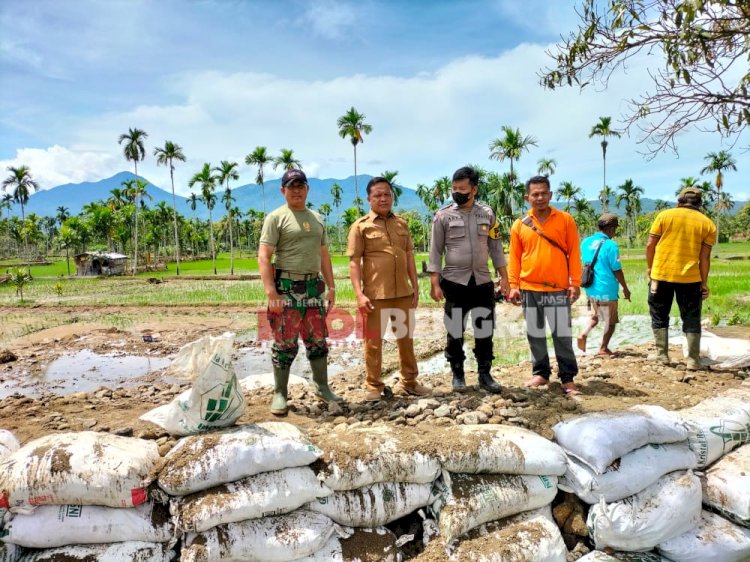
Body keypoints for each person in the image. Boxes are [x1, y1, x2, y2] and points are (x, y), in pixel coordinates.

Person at [258, 169, 342, 415]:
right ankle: (280, 393)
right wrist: (270, 292)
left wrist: (332, 286)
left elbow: (324, 254)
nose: (296, 190)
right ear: (283, 190)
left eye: (300, 185)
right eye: (291, 186)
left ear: (307, 189)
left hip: (314, 288)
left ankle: (322, 387)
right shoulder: (276, 218)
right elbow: (264, 256)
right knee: (285, 342)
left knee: (317, 340)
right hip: (286, 289)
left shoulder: (317, 218)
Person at [348, 177, 431, 401]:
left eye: (387, 194)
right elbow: (354, 262)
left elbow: (409, 256)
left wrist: (415, 286)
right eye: (378, 195)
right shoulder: (360, 226)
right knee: (373, 342)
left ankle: (410, 382)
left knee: (406, 339)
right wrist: (359, 294)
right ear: (369, 199)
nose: (383, 198)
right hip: (375, 294)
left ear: (392, 196)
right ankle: (373, 385)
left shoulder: (401, 223)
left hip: (403, 293)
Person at [428, 166, 508, 393]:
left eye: (462, 189)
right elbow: (435, 252)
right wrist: (434, 283)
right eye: (454, 188)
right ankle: (458, 374)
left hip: (482, 281)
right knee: (455, 330)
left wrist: (504, 278)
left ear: (474, 189)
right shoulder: (443, 215)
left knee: (484, 330)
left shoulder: (488, 214)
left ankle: (485, 374)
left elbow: (496, 248)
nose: (457, 192)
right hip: (454, 282)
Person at [507, 175, 582, 395]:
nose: (540, 197)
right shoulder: (519, 225)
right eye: (535, 194)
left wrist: (574, 283)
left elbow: (574, 253)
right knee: (535, 333)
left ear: (550, 194)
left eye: (543, 193)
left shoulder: (565, 219)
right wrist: (513, 285)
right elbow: (514, 258)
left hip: (557, 289)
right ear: (527, 197)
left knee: (562, 335)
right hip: (529, 288)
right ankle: (541, 373)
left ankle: (568, 378)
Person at [646, 187, 716, 370]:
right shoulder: (708, 223)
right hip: (691, 278)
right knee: (691, 317)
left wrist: (650, 268)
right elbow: (705, 258)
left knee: (660, 314)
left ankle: (662, 355)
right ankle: (693, 360)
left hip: (660, 275)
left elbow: (650, 245)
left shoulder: (664, 216)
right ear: (700, 204)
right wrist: (703, 283)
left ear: (679, 201)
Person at [577, 213, 631, 355]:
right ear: (611, 229)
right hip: (607, 288)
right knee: (610, 322)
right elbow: (616, 269)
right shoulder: (611, 245)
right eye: (615, 229)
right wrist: (625, 288)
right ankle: (603, 348)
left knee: (595, 317)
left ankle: (583, 333)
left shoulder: (586, 242)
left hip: (591, 288)